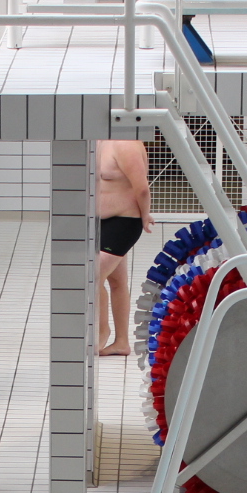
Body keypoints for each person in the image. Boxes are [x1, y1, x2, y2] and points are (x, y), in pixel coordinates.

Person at [95, 140, 153, 357]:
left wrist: (145, 216)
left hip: (124, 222)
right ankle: (121, 342)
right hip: (101, 223)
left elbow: (142, 188)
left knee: (92, 277)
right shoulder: (98, 141)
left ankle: (102, 331)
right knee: (117, 282)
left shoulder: (126, 145)